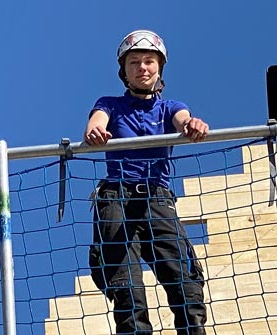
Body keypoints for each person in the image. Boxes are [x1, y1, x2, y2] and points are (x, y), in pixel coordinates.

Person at [84, 29, 209, 335]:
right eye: (134, 62)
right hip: (116, 200)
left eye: (149, 61)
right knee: (127, 290)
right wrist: (95, 132)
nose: (142, 67)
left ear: (159, 68)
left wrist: (192, 125)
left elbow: (184, 120)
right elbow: (95, 124)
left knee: (185, 284)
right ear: (124, 71)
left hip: (157, 200)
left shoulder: (170, 107)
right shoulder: (109, 104)